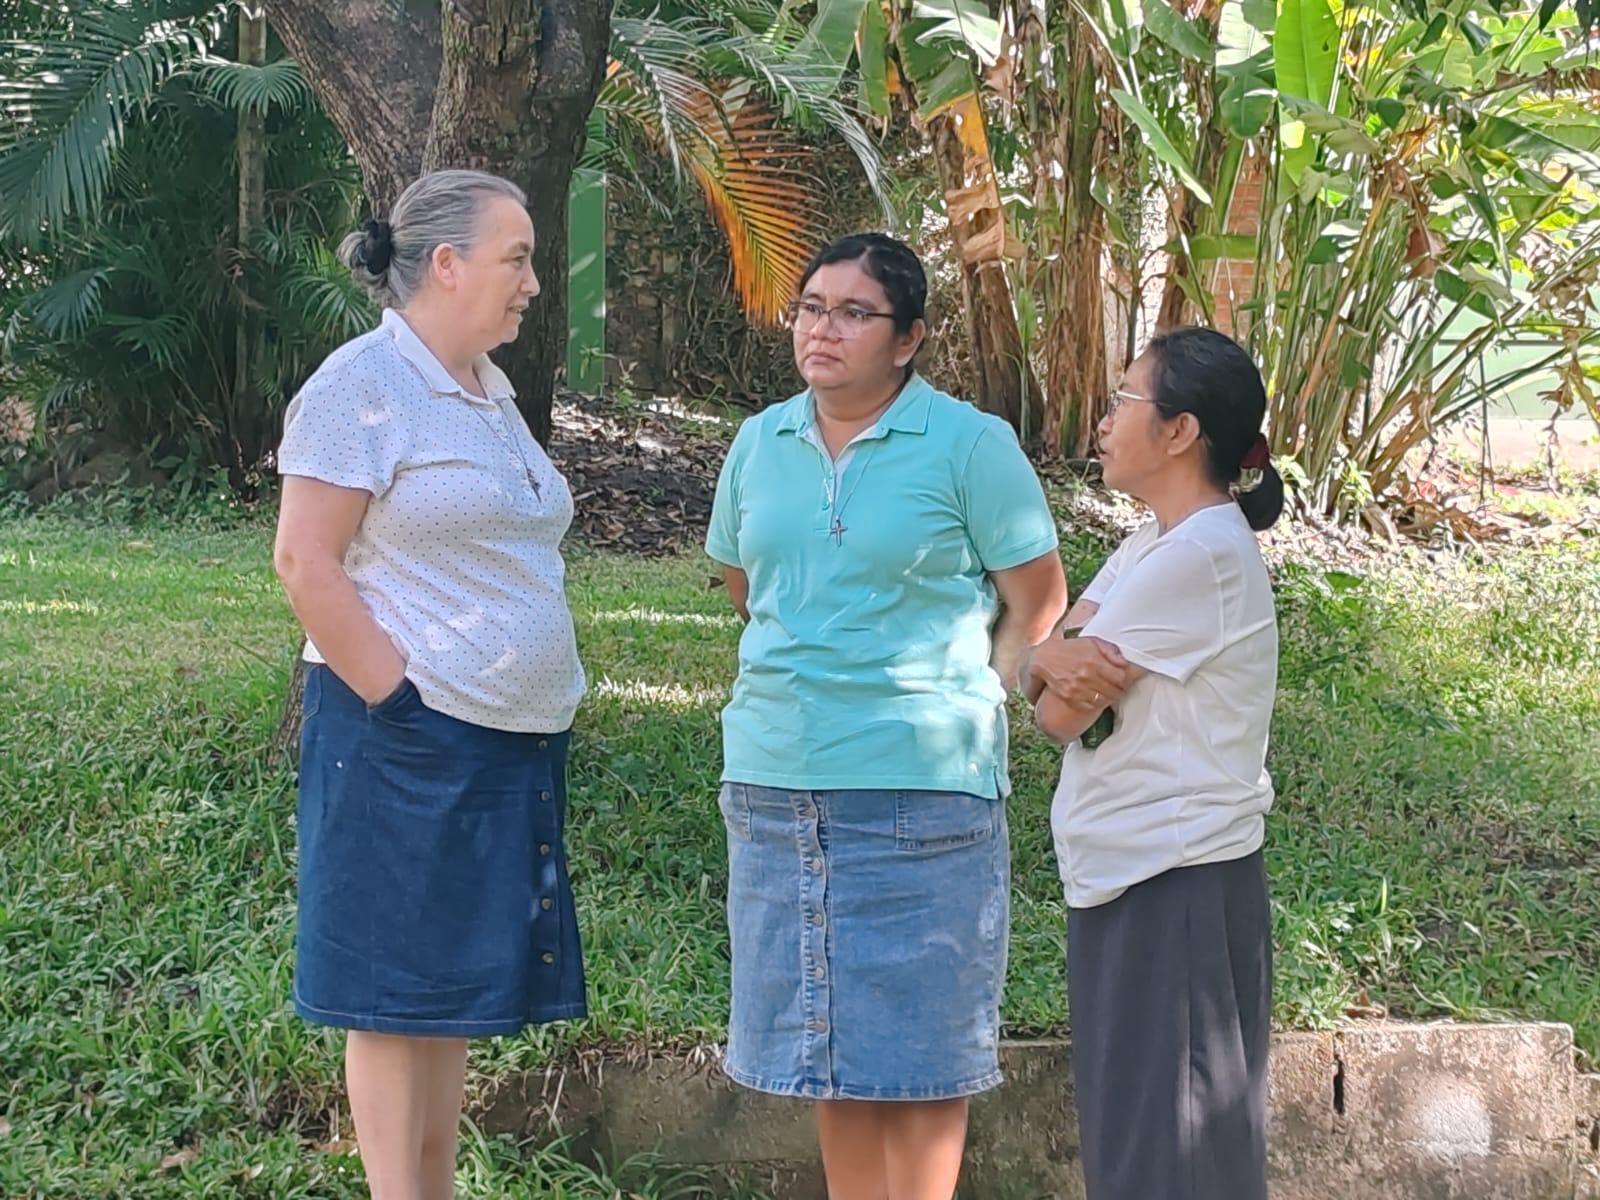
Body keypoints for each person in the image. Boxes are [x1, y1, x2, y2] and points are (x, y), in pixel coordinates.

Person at [705, 232, 1068, 1200]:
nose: (822, 330)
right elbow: (747, 589)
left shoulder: (970, 444)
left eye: (854, 313)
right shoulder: (758, 442)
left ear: (908, 339)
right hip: (776, 782)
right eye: (811, 308)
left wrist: (964, 694)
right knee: (828, 1050)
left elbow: (1036, 600)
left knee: (922, 1058)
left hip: (922, 789)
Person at [272, 169, 586, 1200]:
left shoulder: (488, 391)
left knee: (447, 998)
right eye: (517, 258)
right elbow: (304, 561)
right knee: (391, 997)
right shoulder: (360, 385)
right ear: (446, 265)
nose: (533, 281)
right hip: (404, 737)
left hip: (499, 740)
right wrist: (397, 700)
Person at [1021, 327, 1284, 1200]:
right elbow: (1053, 656)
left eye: (1123, 401)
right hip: (1142, 877)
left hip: (1175, 884)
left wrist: (1045, 666)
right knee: (1146, 1152)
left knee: (1168, 1164)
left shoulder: (1198, 556)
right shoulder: (1154, 543)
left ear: (1180, 431)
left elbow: (1058, 712)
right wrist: (1043, 660)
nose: (1104, 422)